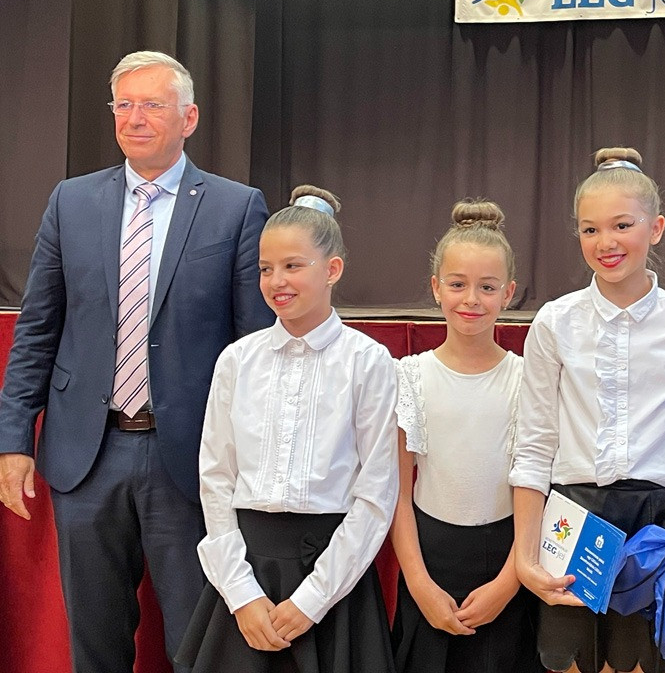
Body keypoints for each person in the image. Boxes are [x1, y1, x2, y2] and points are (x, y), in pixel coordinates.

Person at [0, 51, 273, 672]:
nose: (134, 118)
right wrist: (13, 437)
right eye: (123, 105)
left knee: (197, 645)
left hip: (192, 459)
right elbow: (37, 329)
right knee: (94, 643)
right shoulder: (72, 202)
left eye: (151, 104)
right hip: (86, 456)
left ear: (189, 118)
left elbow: (254, 347)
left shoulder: (234, 207)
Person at [510, 148, 665, 673]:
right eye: (590, 230)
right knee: (567, 661)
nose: (605, 242)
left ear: (656, 228)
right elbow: (534, 444)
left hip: (657, 523)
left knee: (639, 664)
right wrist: (524, 555)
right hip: (573, 520)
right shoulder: (555, 322)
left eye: (622, 225)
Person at [176, 185, 399, 673]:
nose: (277, 280)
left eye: (293, 265)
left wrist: (312, 600)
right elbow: (216, 479)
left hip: (332, 577)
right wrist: (240, 592)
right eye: (265, 268)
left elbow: (376, 494)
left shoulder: (368, 362)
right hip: (246, 575)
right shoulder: (237, 360)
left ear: (332, 269)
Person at [390, 199, 542, 673]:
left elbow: (538, 486)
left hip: (508, 560)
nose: (471, 299)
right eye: (457, 284)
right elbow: (397, 492)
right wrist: (419, 585)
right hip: (429, 559)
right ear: (436, 287)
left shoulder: (527, 379)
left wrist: (509, 583)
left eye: (487, 287)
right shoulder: (409, 376)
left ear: (509, 293)